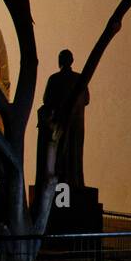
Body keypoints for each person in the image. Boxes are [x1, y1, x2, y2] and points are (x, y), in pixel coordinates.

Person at [38, 49, 89, 190]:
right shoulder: (80, 79)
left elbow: (46, 99)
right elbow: (86, 100)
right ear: (71, 61)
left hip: (60, 125)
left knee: (60, 155)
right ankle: (74, 182)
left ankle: (62, 187)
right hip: (77, 124)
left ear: (60, 62)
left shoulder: (54, 79)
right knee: (75, 154)